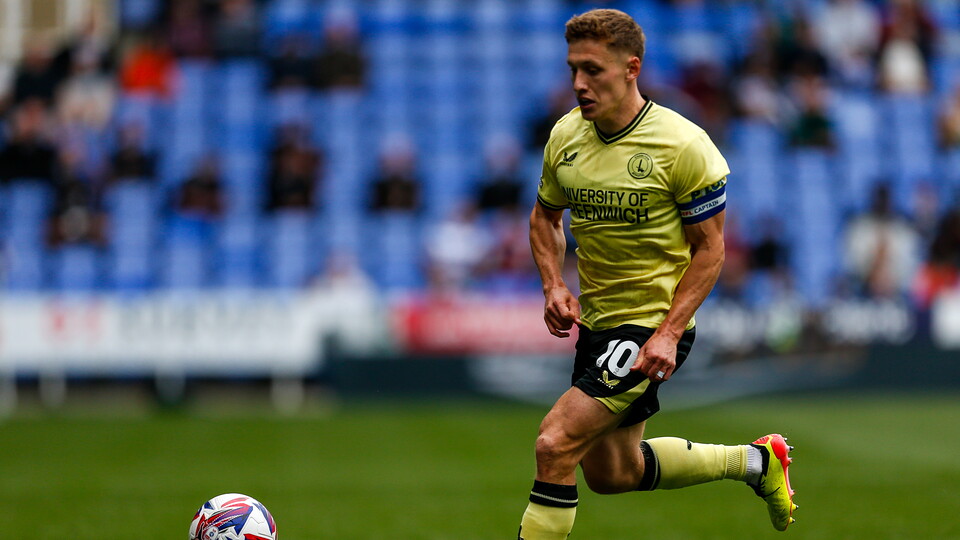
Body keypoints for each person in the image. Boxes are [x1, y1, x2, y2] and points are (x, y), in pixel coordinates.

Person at [519, 10, 797, 539]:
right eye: (573, 69)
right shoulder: (565, 136)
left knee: (554, 444)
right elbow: (544, 217)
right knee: (612, 473)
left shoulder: (683, 144)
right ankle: (757, 463)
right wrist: (554, 283)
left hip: (649, 325)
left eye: (593, 70)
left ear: (631, 68)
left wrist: (669, 332)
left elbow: (711, 250)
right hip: (597, 324)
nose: (579, 83)